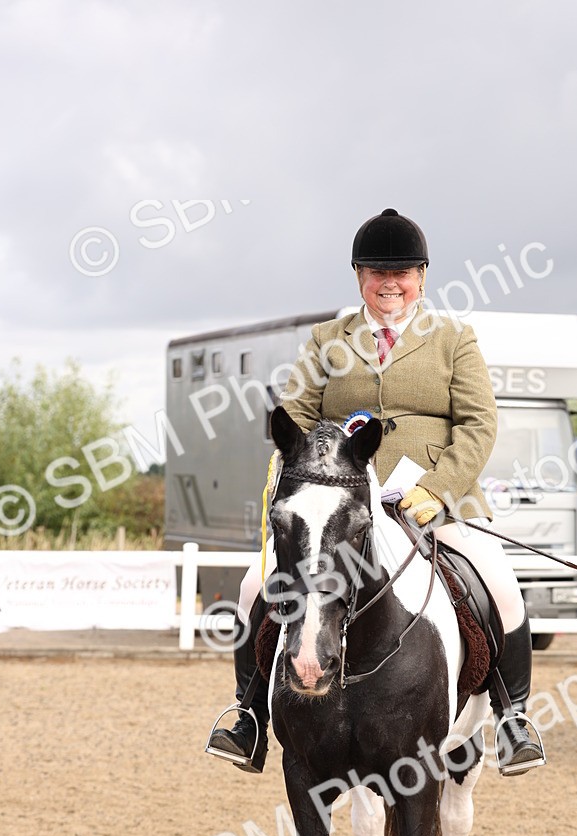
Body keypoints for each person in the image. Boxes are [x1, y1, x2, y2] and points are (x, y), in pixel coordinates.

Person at [209, 207, 545, 775]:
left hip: (432, 499)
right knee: (252, 588)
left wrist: (440, 488)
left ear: (421, 277)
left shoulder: (454, 340)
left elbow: (480, 423)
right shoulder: (326, 341)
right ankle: (249, 717)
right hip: (343, 500)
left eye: (403, 273)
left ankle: (514, 718)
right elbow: (296, 411)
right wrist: (295, 465)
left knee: (500, 582)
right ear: (359, 276)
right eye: (376, 273)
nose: (390, 284)